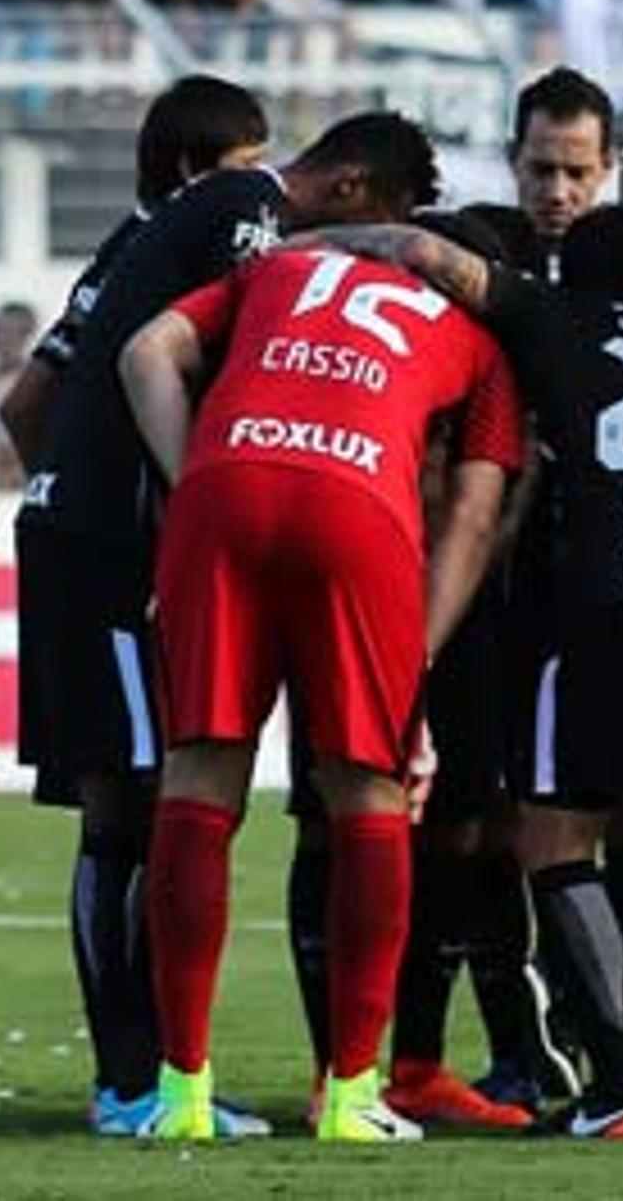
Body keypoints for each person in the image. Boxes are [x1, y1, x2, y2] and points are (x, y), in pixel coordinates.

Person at [12, 88, 436, 1137]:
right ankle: (133, 1081)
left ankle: (140, 1077)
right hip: (124, 542)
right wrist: (178, 491)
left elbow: (24, 402)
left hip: (78, 531)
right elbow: (180, 361)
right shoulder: (246, 204)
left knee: (132, 803)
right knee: (140, 806)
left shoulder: (131, 237)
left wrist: (75, 491)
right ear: (348, 191)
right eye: (377, 226)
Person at [312, 204, 623, 1140]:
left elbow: (427, 254)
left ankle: (622, 1086)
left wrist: (309, 246)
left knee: (554, 837)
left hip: (609, 594)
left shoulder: (556, 316)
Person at [113, 221, 526, 1146]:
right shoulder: (480, 342)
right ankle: (349, 1093)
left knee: (198, 777)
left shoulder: (280, 269)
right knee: (365, 792)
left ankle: (181, 1094)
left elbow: (147, 354)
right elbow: (472, 508)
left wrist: (198, 490)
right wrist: (413, 654)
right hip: (359, 508)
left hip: (224, 486)